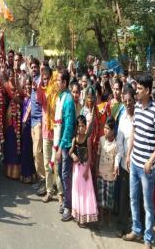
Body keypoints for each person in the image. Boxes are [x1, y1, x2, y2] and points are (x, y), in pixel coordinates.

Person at [123, 75, 155, 249]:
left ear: (148, 91)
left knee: (147, 204)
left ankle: (148, 238)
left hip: (147, 168)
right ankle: (136, 230)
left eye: (140, 89)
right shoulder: (138, 108)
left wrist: (151, 161)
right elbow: (134, 131)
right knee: (133, 198)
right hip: (134, 163)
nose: (136, 91)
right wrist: (128, 154)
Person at [36, 66, 62, 203]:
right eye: (43, 78)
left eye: (47, 78)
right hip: (46, 131)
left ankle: (60, 193)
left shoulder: (56, 90)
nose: (45, 80)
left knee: (56, 165)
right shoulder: (41, 89)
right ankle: (49, 191)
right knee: (47, 164)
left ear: (51, 77)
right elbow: (40, 101)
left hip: (56, 132)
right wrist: (41, 84)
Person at [54, 70, 76, 222]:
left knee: (66, 175)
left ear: (65, 83)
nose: (56, 82)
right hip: (61, 143)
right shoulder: (61, 97)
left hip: (66, 145)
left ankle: (68, 206)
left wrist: (61, 147)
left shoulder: (68, 100)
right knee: (62, 174)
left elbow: (68, 126)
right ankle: (67, 203)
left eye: (58, 80)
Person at [70, 115, 98, 227]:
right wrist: (73, 156)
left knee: (86, 193)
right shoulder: (74, 139)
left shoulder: (88, 139)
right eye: (79, 126)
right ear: (77, 127)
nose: (81, 128)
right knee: (78, 192)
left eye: (83, 126)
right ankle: (78, 216)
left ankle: (85, 217)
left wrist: (87, 171)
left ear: (86, 126)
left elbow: (90, 156)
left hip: (85, 169)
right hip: (77, 169)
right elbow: (70, 152)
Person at [115, 85, 136, 237]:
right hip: (124, 164)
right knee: (124, 197)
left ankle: (137, 227)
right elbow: (120, 142)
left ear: (134, 99)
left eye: (130, 100)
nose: (128, 103)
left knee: (136, 198)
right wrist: (118, 162)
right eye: (125, 101)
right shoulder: (122, 118)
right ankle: (123, 226)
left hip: (138, 163)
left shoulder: (140, 117)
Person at [96, 117, 118, 226]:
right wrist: (96, 168)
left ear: (113, 131)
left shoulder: (116, 144)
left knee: (109, 198)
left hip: (110, 175)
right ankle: (100, 217)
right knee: (100, 196)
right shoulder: (101, 140)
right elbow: (98, 154)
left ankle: (108, 219)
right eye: (104, 128)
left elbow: (116, 159)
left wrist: (115, 169)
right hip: (100, 172)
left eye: (108, 129)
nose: (105, 130)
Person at [3, 69, 22, 180]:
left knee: (16, 143)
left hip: (19, 116)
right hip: (10, 116)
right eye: (10, 75)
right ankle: (9, 171)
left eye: (14, 75)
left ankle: (16, 171)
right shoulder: (7, 87)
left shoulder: (20, 87)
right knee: (10, 142)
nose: (12, 77)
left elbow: (22, 99)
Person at [30, 58, 45, 194]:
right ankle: (40, 180)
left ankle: (44, 181)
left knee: (37, 152)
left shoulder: (40, 81)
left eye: (35, 67)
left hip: (40, 120)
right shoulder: (32, 81)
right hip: (32, 121)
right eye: (32, 67)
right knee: (35, 154)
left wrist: (37, 86)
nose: (33, 69)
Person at [21, 76, 36, 183]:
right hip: (24, 126)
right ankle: (27, 174)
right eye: (25, 84)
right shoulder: (25, 97)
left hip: (29, 126)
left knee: (28, 151)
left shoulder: (32, 98)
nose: (27, 86)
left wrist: (24, 123)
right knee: (25, 150)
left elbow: (28, 113)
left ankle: (29, 174)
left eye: (28, 84)